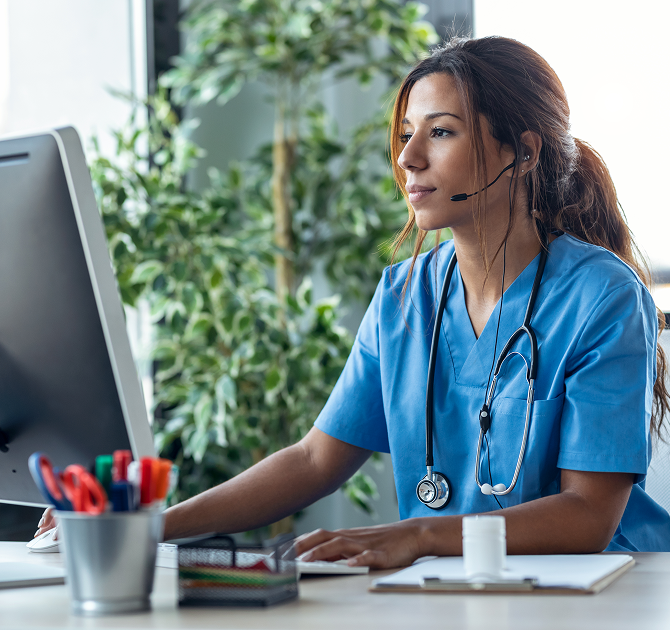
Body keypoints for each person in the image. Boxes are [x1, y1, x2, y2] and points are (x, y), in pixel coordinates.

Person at [36, 36, 670, 567]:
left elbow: (587, 515)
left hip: (602, 594)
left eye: (440, 133)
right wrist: (149, 525)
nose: (408, 157)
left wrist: (418, 535)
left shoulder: (601, 297)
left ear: (524, 151)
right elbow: (316, 458)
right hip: (453, 592)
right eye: (404, 135)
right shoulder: (404, 296)